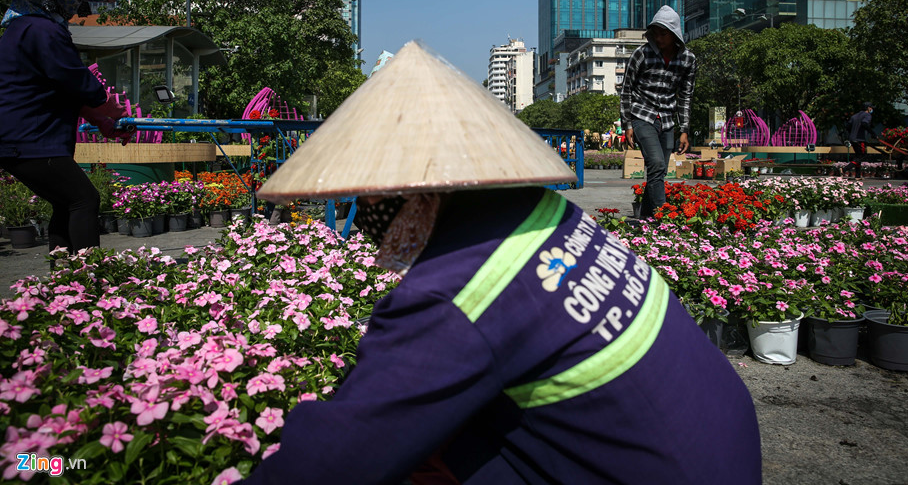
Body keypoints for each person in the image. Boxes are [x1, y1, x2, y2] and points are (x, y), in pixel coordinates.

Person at [244, 41, 761, 485]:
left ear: (415, 193)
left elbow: (338, 459)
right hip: (720, 445)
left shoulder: (453, 290)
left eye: (370, 198)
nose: (363, 220)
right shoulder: (547, 213)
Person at [0, 0, 130, 252]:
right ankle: (88, 278)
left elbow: (63, 88)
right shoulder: (42, 30)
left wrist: (104, 122)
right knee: (84, 199)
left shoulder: (23, 28)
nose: (75, 6)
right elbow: (78, 81)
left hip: (27, 138)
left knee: (65, 202)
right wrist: (113, 110)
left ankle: (63, 284)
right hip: (31, 138)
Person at [619, 5, 697, 218]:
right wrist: (626, 124)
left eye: (664, 34)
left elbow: (686, 96)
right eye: (656, 33)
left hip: (668, 121)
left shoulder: (688, 60)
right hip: (642, 115)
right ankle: (665, 219)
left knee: (658, 173)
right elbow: (626, 90)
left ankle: (644, 220)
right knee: (656, 163)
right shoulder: (641, 55)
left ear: (674, 35)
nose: (659, 38)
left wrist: (684, 130)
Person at [843, 102, 875, 179]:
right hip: (860, 139)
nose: (872, 109)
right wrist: (872, 133)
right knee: (862, 156)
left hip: (852, 138)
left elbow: (847, 126)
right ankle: (845, 169)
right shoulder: (867, 115)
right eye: (871, 107)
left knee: (858, 156)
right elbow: (864, 123)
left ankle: (857, 175)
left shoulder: (854, 116)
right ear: (868, 108)